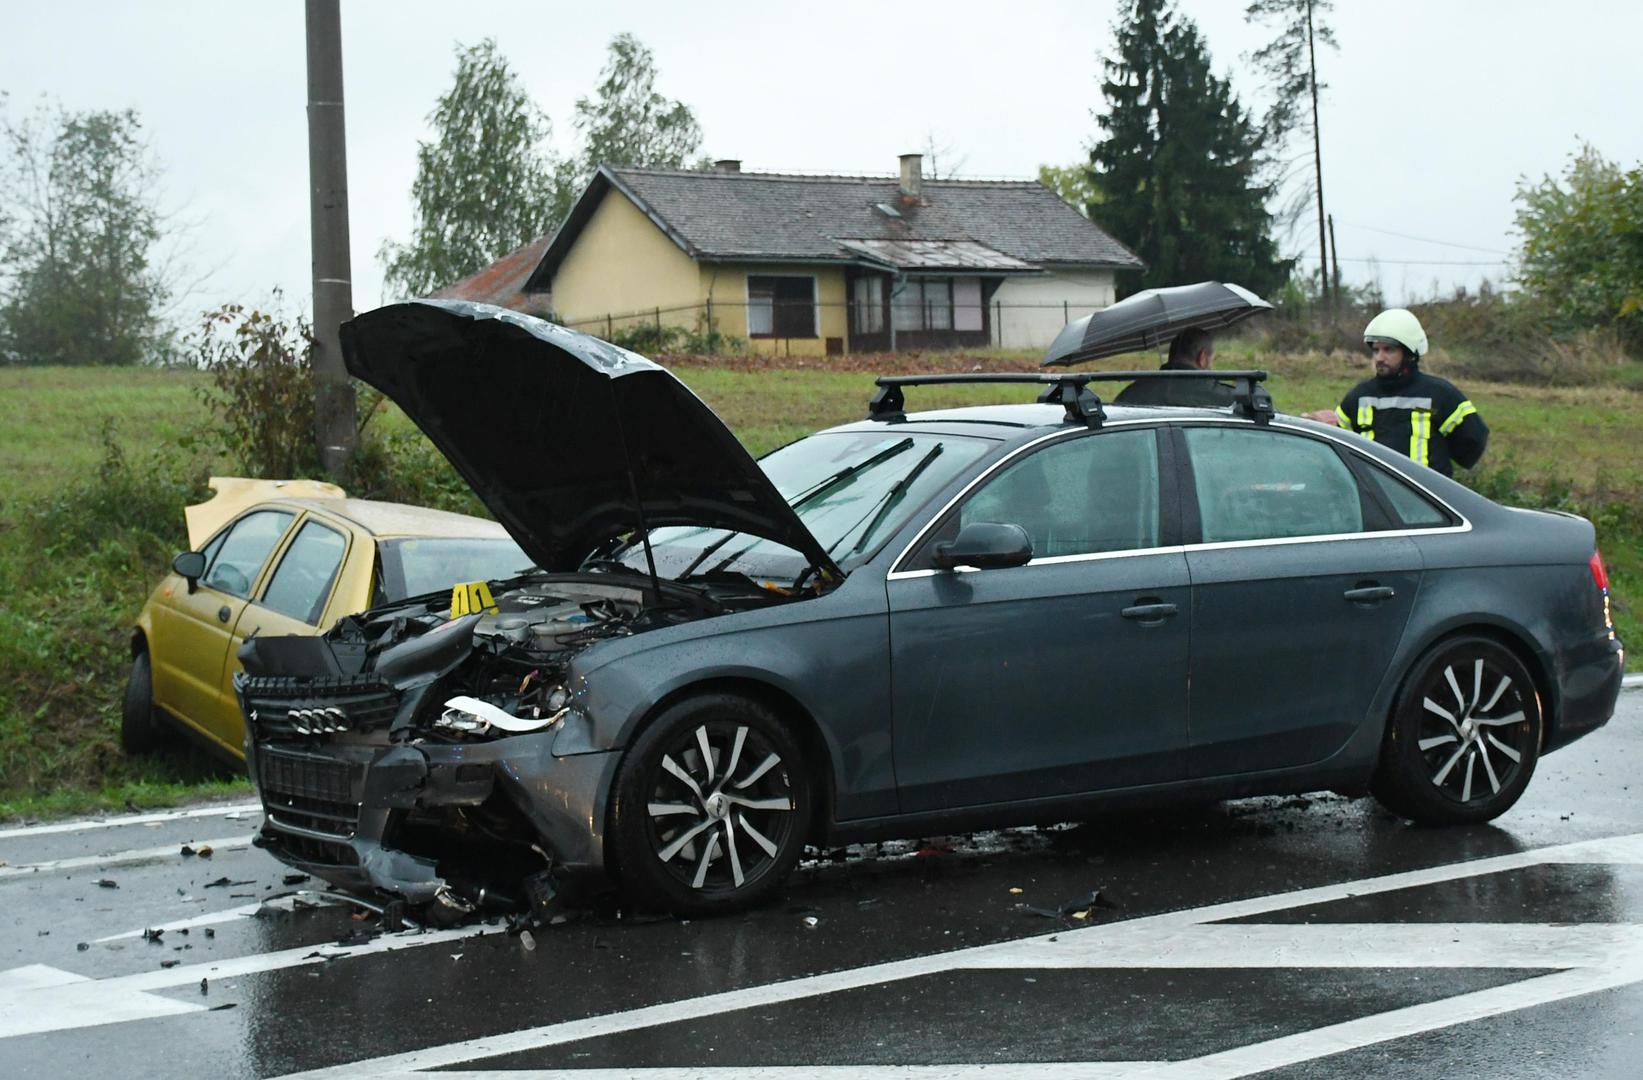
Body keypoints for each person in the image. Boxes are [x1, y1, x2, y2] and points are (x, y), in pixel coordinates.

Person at [1306, 309, 1488, 477]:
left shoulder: (1439, 394)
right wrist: (1321, 423)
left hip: (1425, 500)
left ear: (1409, 353)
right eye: (1376, 350)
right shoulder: (1360, 396)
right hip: (1376, 499)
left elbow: (1472, 440)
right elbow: (1340, 443)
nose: (1379, 358)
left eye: (1389, 350)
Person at [1112, 326, 1234, 407]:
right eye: (1211, 359)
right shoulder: (1229, 400)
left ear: (1172, 354)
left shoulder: (1130, 395)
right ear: (1202, 358)